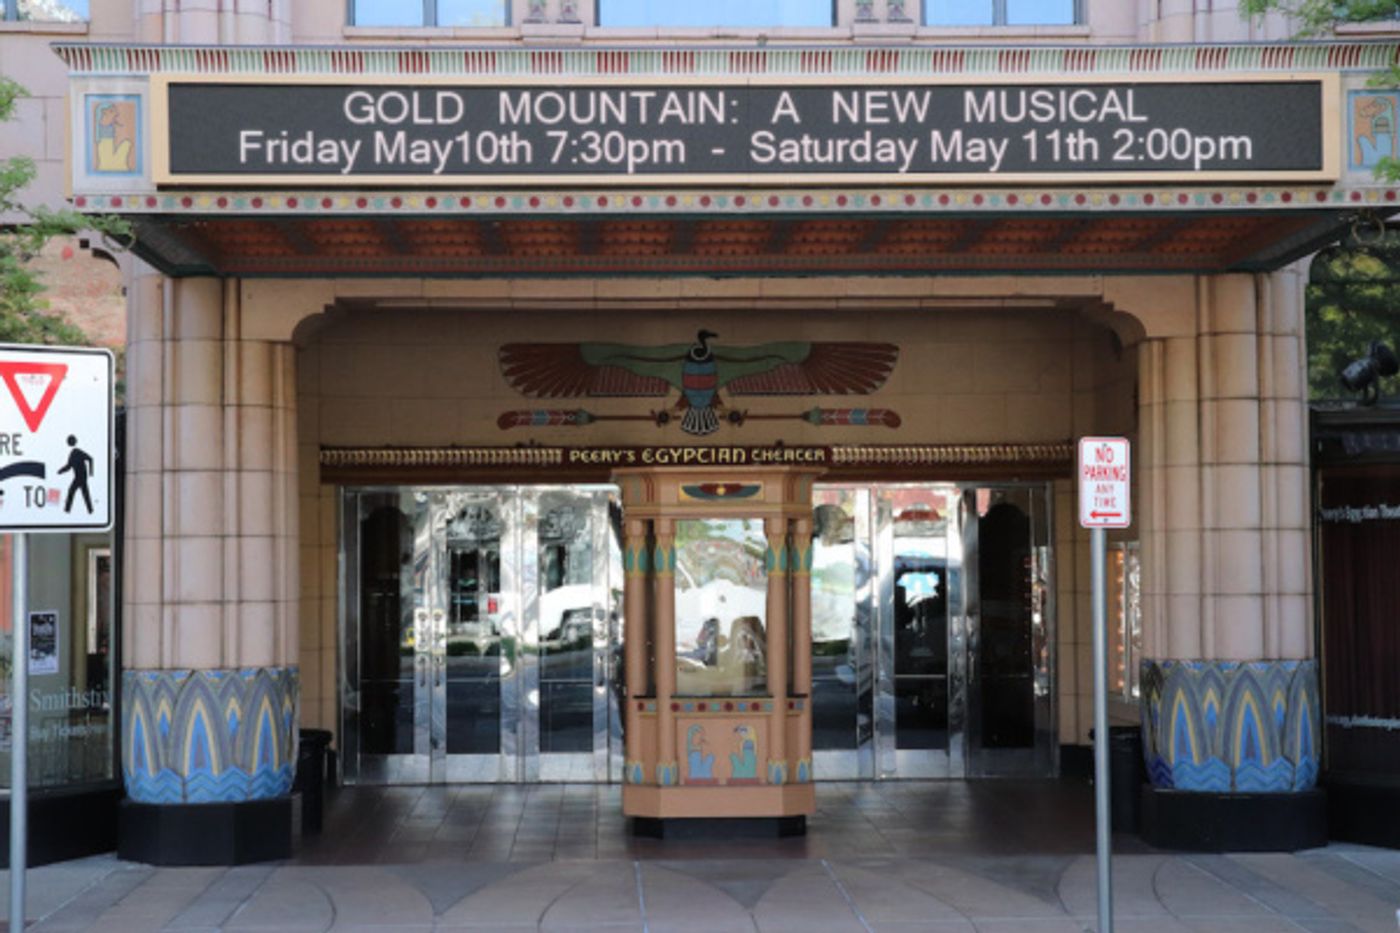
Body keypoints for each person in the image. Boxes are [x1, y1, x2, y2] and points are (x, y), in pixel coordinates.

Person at [58, 435, 94, 514]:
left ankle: (67, 510)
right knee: (82, 493)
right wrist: (61, 471)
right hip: (78, 477)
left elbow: (90, 459)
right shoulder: (72, 454)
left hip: (81, 477)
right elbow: (69, 466)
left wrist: (91, 472)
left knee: (74, 492)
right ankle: (89, 510)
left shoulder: (78, 452)